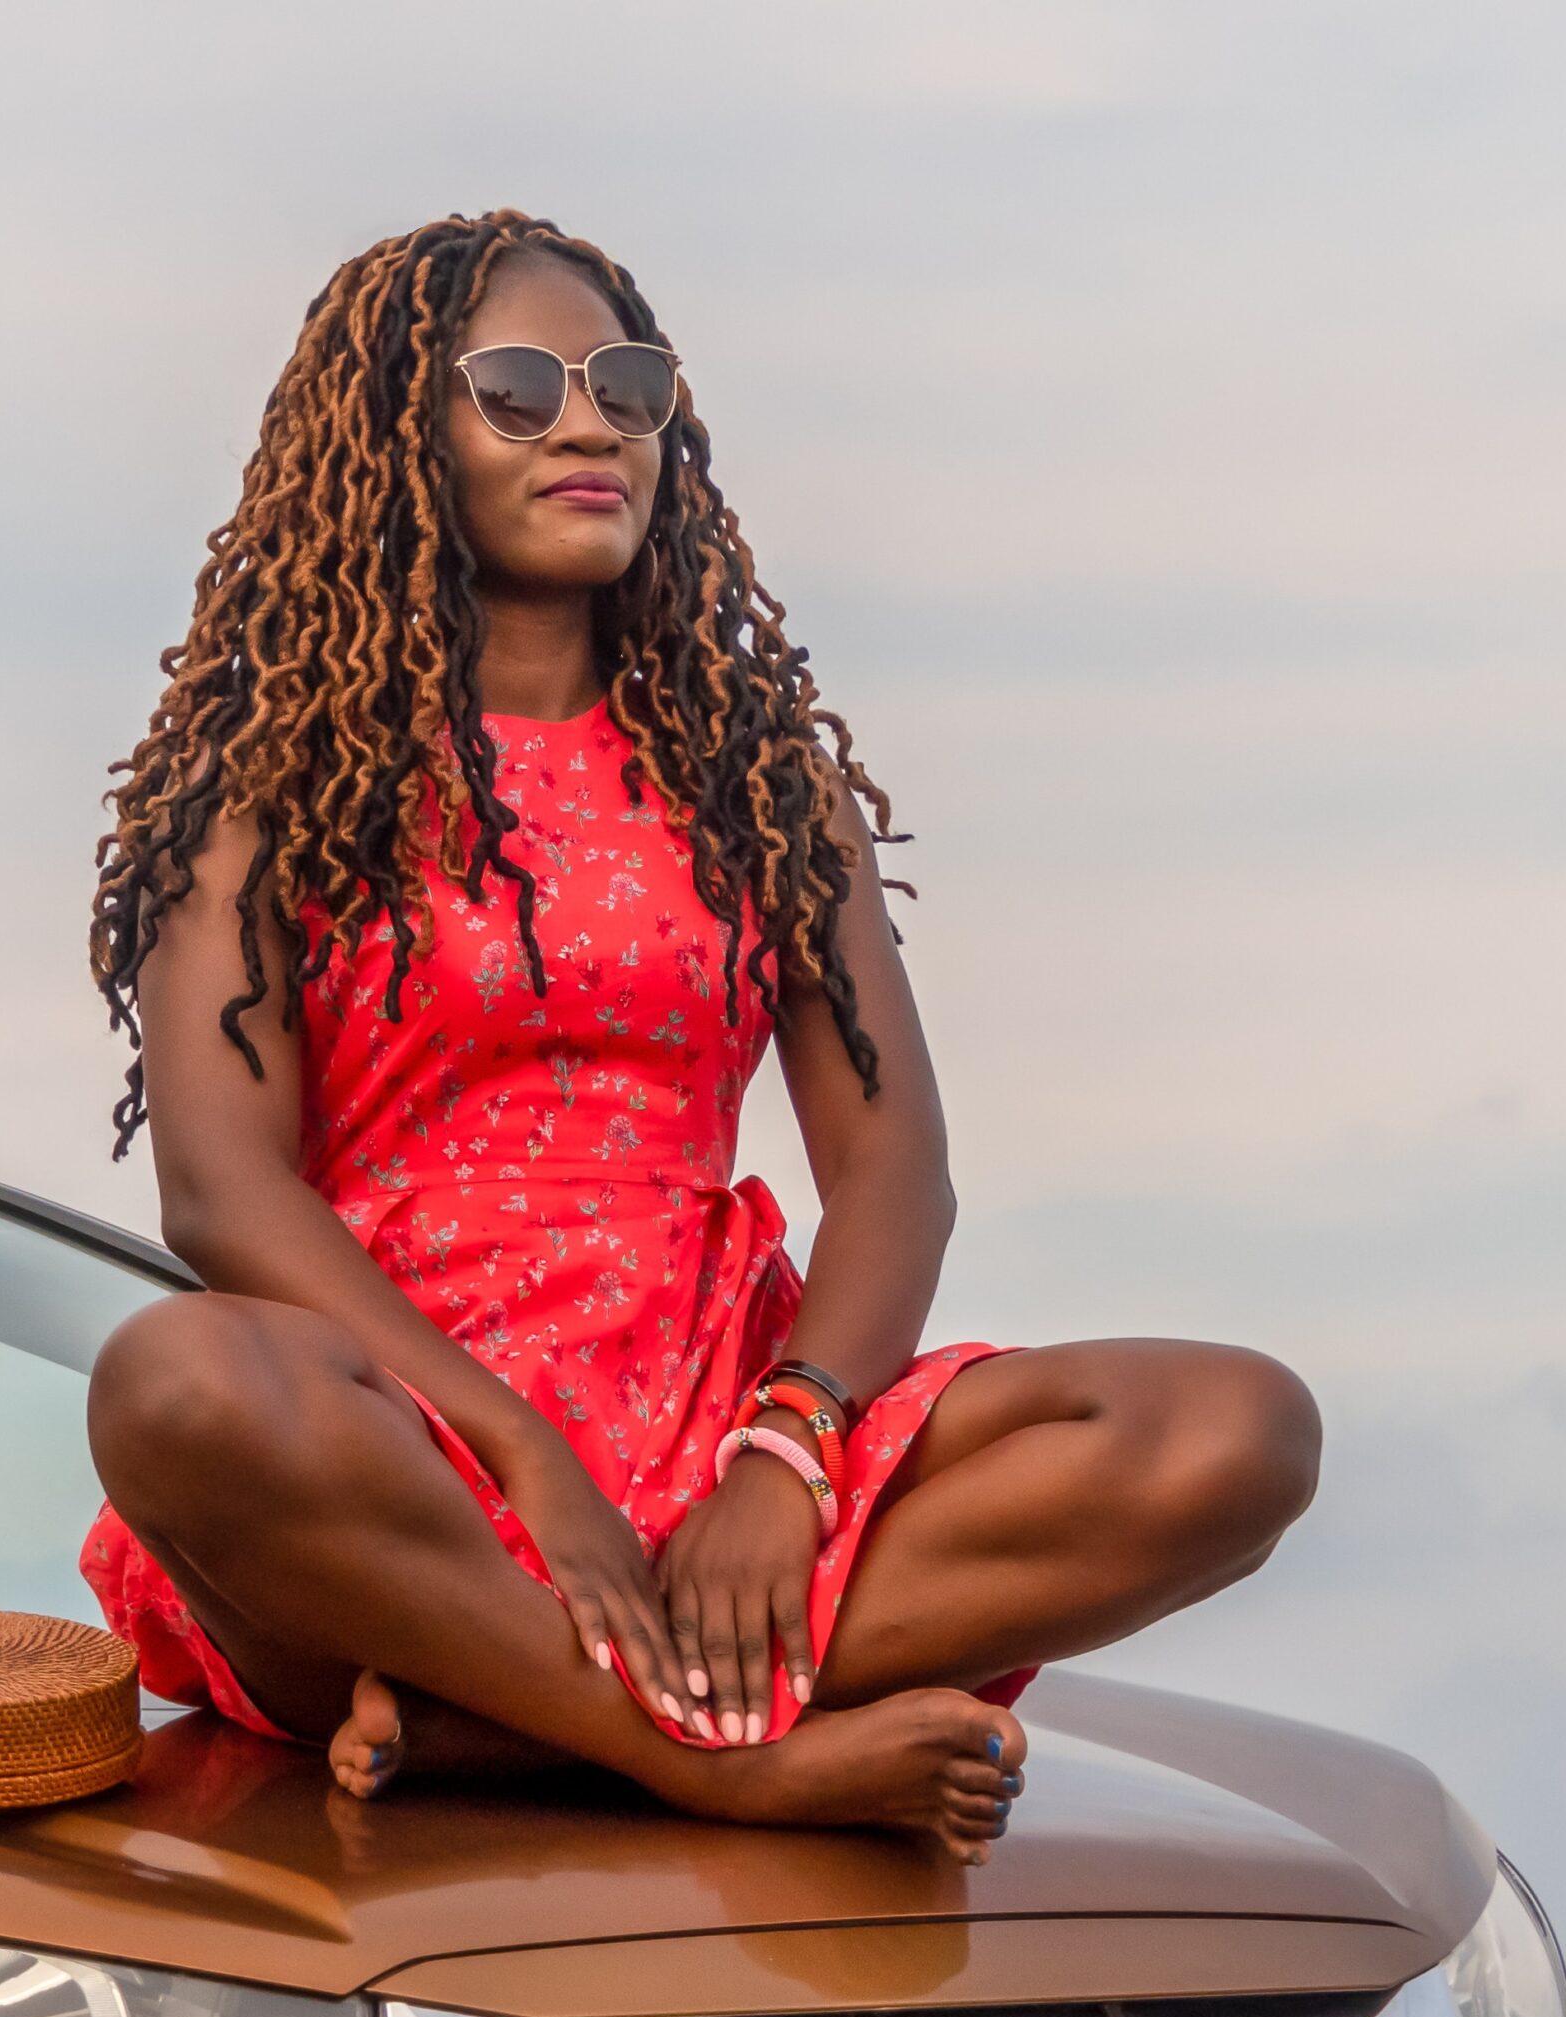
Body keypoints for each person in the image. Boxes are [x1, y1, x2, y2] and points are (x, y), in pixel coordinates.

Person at [80, 210, 1320, 1862]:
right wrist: (521, 1456)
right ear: (396, 433)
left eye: (629, 385)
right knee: (177, 1378)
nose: (591, 423)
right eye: (516, 389)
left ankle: (508, 1728)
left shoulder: (757, 786)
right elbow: (224, 1201)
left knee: (1233, 1430)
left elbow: (896, 1176)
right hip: (398, 1470)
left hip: (717, 1401)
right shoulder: (268, 791)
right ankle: (721, 1757)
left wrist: (788, 1453)